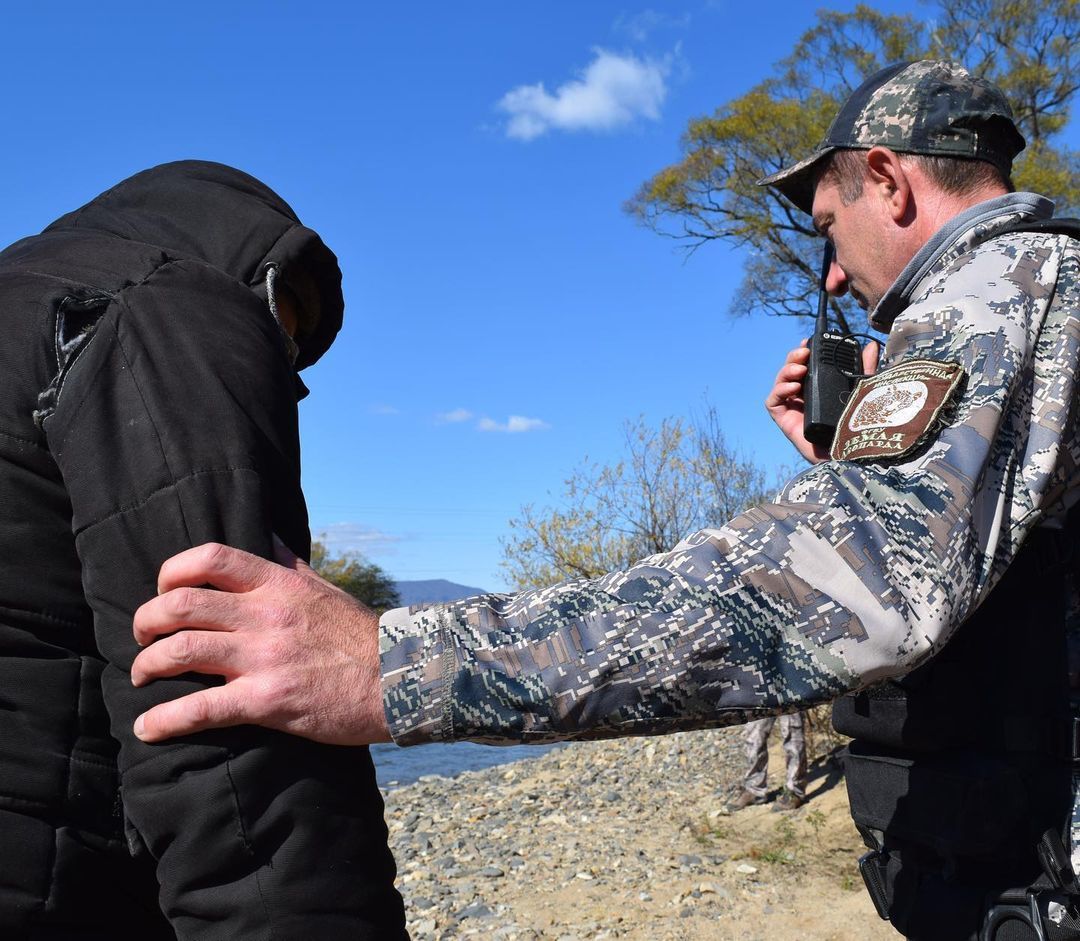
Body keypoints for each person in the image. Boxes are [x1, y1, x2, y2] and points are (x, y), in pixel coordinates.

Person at [130, 63, 1080, 939]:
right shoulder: (1043, 292)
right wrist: (849, 471)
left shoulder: (998, 287)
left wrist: (390, 662)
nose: (832, 273)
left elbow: (850, 589)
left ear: (890, 179)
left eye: (829, 226)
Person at [0, 161, 406, 938]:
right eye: (284, 331)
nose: (278, 362)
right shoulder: (166, 307)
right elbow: (235, 752)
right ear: (258, 278)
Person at [728, 713, 808, 811]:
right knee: (754, 735)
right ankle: (754, 790)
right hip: (760, 698)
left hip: (789, 699)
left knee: (793, 736)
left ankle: (795, 792)